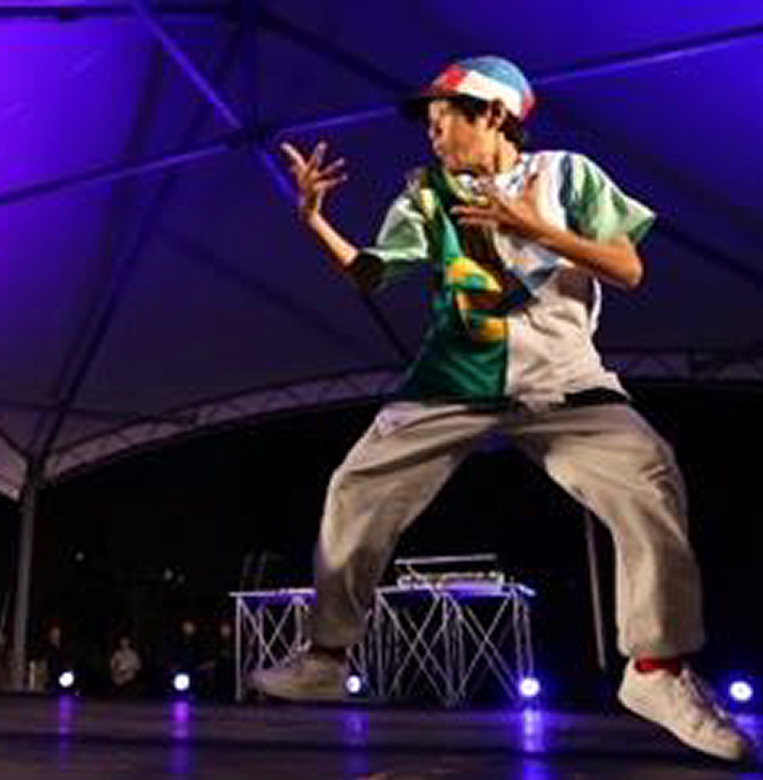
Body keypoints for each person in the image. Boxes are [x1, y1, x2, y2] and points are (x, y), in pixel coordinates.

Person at [250, 56, 753, 762]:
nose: (432, 134)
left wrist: (535, 228)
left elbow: (628, 269)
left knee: (650, 479)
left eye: (443, 119)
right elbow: (372, 273)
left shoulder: (567, 175)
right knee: (356, 487)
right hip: (451, 382)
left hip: (564, 383)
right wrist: (314, 221)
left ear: (493, 115)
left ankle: (657, 672)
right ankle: (326, 656)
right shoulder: (426, 192)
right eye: (428, 123)